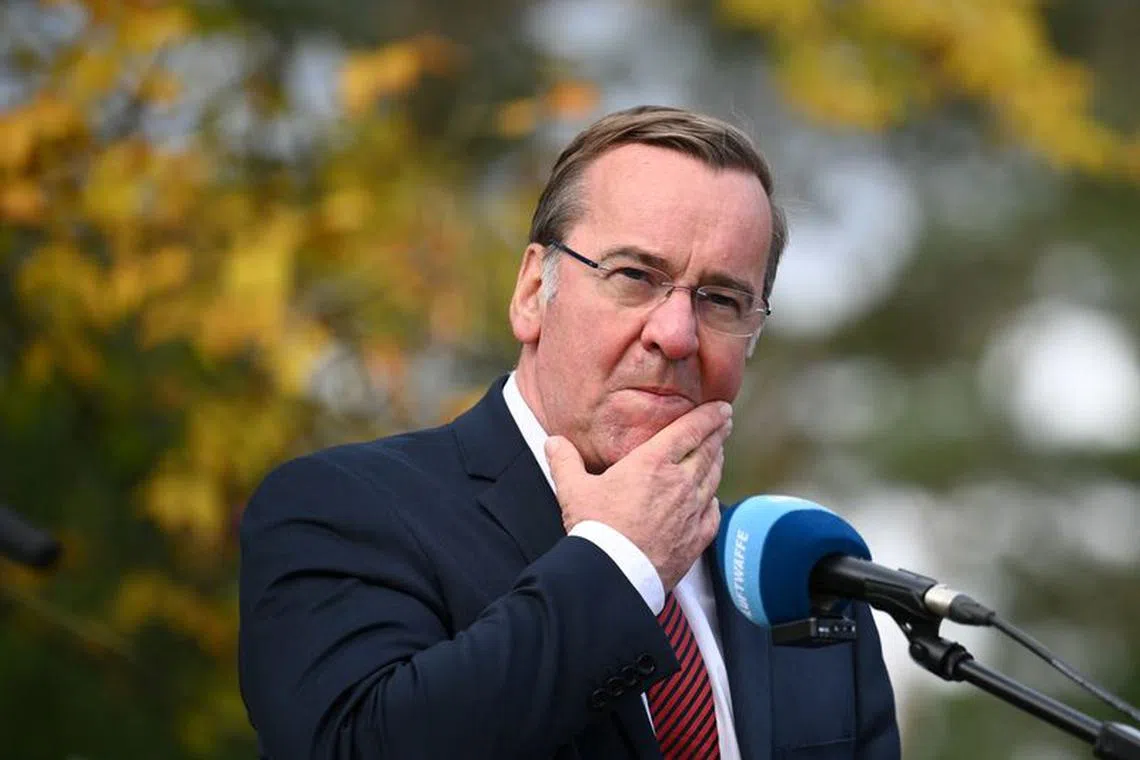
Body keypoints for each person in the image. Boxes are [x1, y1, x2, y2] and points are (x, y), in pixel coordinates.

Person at [238, 105, 900, 760]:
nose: (676, 334)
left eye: (722, 300)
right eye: (634, 276)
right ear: (533, 291)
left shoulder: (796, 580)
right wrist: (621, 562)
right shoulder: (343, 510)